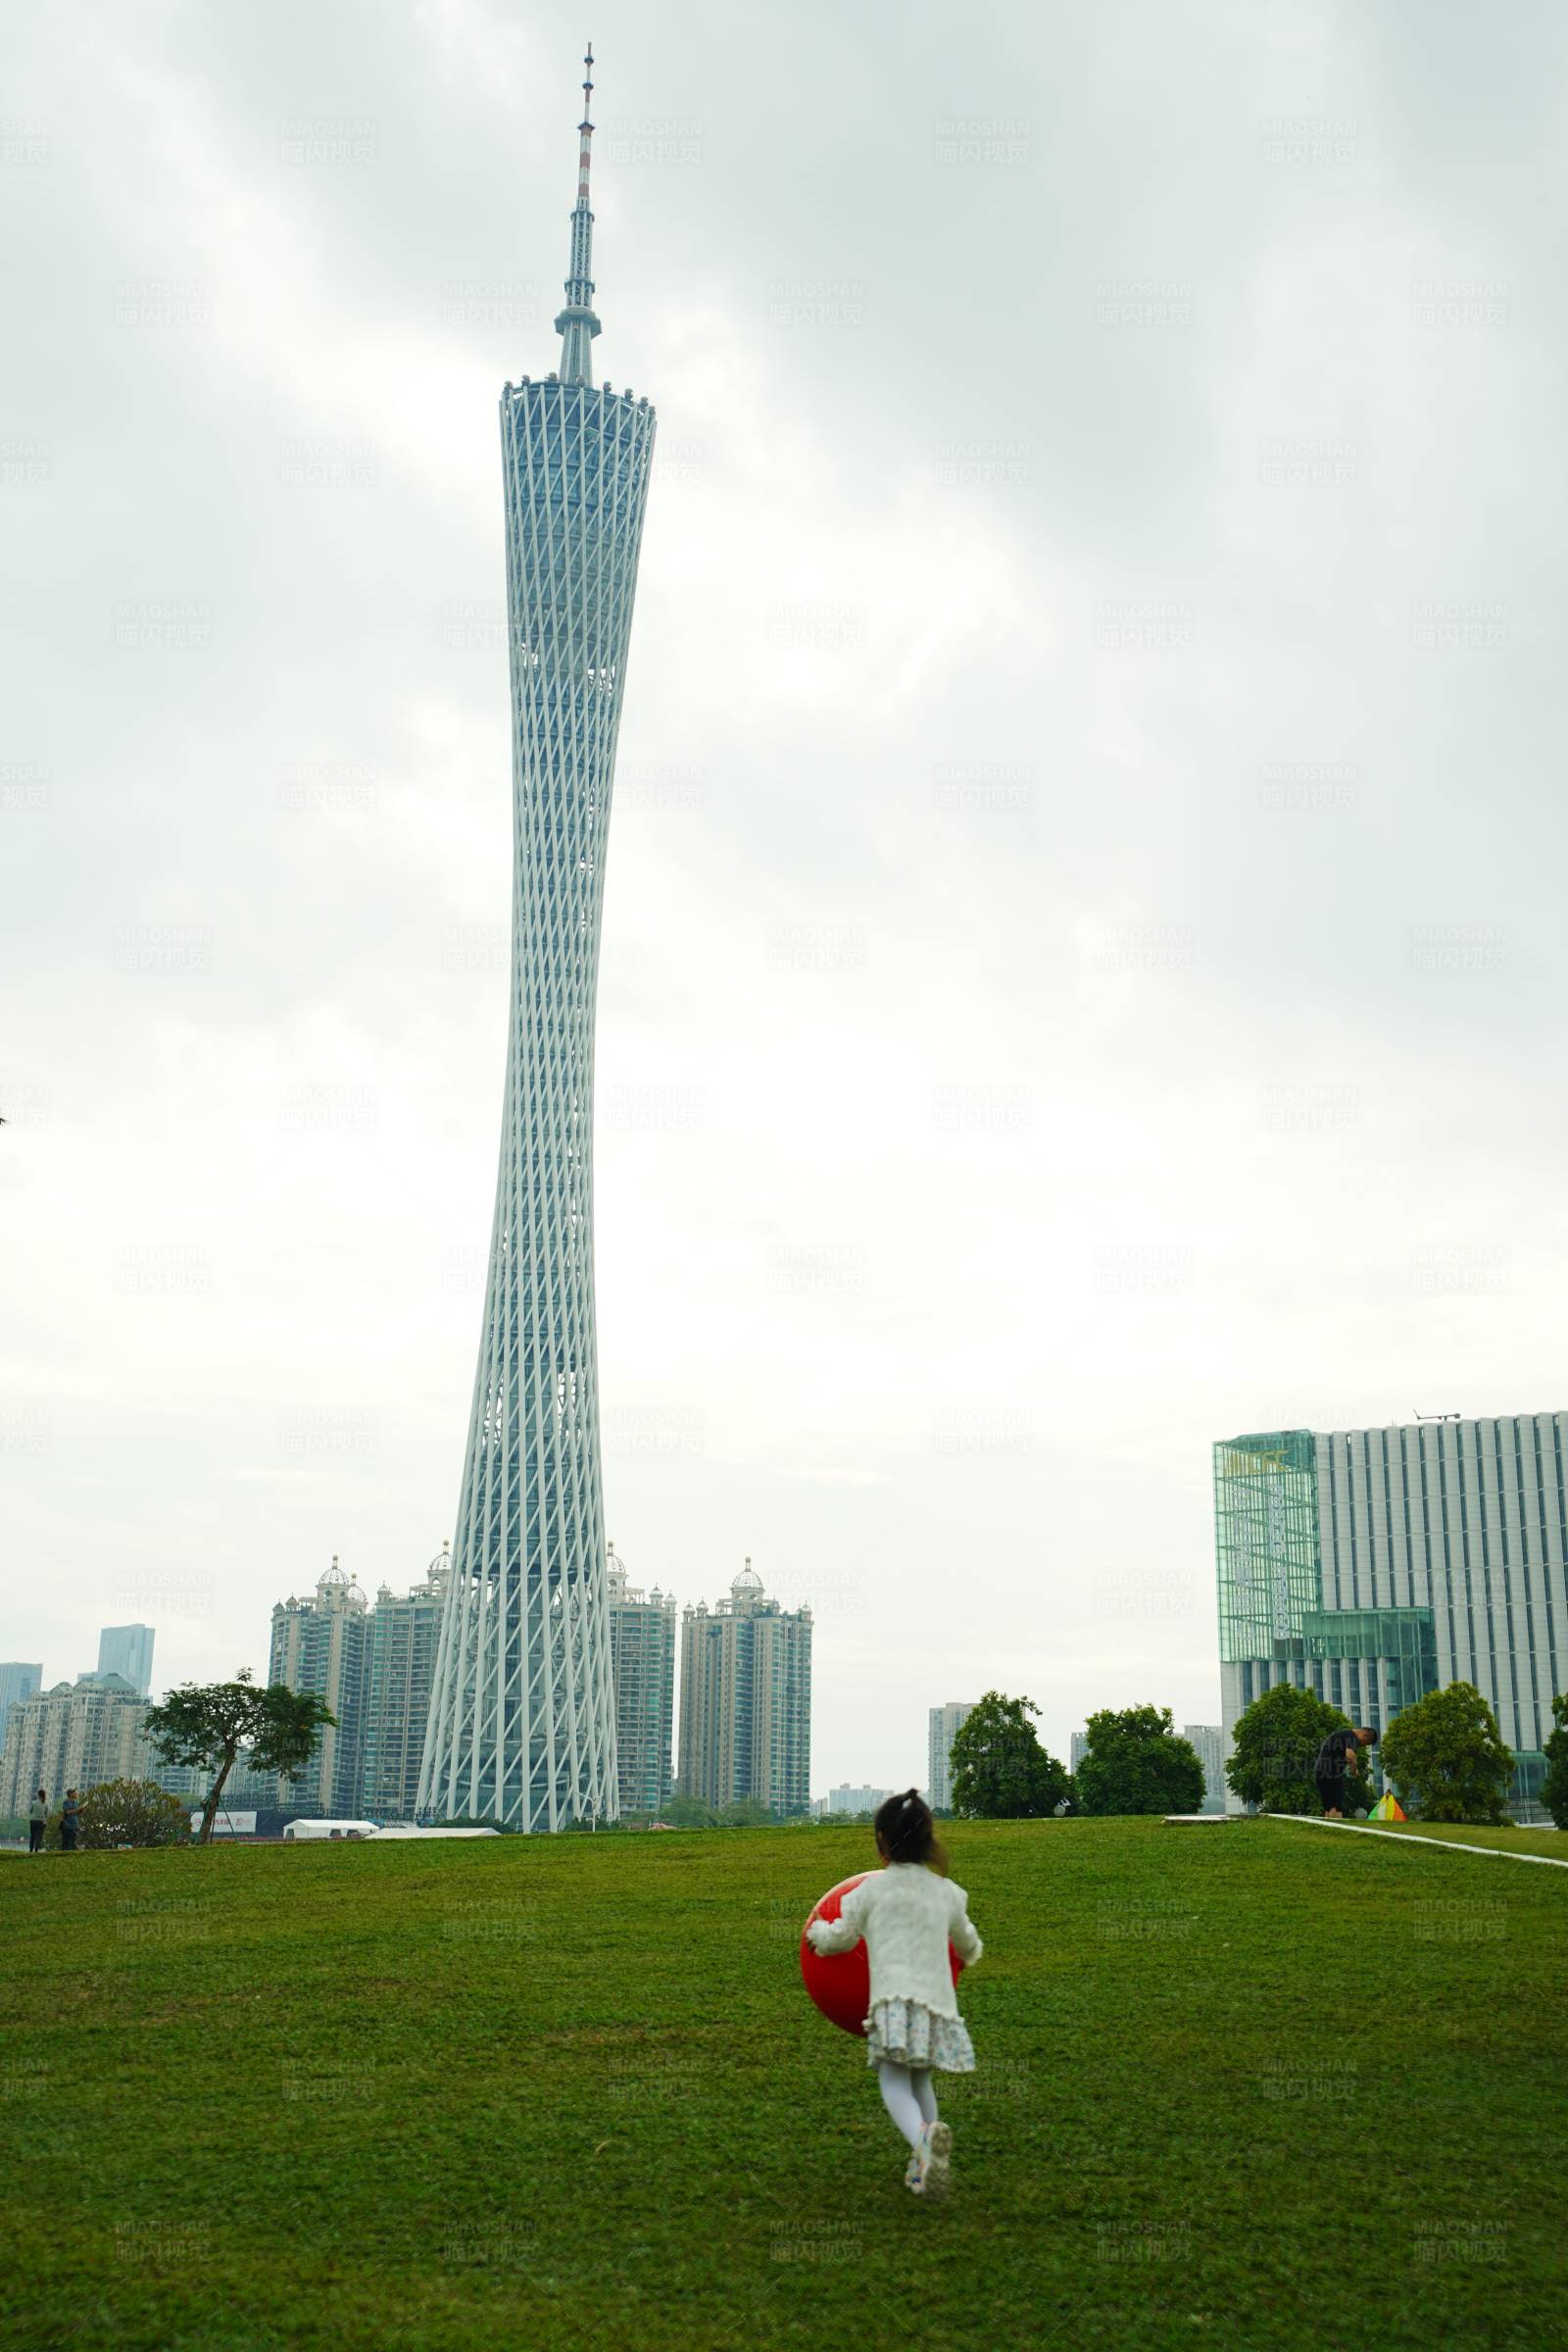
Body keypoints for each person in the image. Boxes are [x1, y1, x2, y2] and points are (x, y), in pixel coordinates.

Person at [806, 1788, 983, 2200]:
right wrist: (970, 1955)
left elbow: (841, 1939)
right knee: (921, 2080)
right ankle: (925, 2163)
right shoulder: (947, 1892)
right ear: (928, 1840)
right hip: (937, 2007)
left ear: (881, 1840)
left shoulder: (869, 1892)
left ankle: (923, 2141)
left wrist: (817, 1934)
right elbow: (966, 1942)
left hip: (893, 2004)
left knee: (893, 2082)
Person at [1314, 1725, 1377, 1819]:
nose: (1363, 1746)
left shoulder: (1344, 1735)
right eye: (1366, 1743)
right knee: (1336, 1806)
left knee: (1329, 1806)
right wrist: (1354, 1770)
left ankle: (1328, 1825)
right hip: (1331, 1773)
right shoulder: (1352, 1736)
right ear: (1365, 1735)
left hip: (1321, 1771)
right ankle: (1336, 1826)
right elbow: (1350, 1755)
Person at [60, 1788, 80, 1852]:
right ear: (70, 1794)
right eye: (75, 1792)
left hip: (75, 1824)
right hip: (67, 1824)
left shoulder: (76, 1802)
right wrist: (76, 1810)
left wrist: (81, 1810)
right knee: (66, 1842)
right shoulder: (65, 1802)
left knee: (73, 1841)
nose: (76, 1793)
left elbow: (77, 1813)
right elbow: (67, 1812)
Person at [28, 1789, 47, 1854]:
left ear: (38, 1795)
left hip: (33, 1821)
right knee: (39, 1836)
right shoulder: (45, 1804)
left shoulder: (33, 1802)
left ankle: (31, 1849)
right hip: (41, 1821)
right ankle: (36, 1850)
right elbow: (46, 1814)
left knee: (33, 1835)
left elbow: (30, 1811)